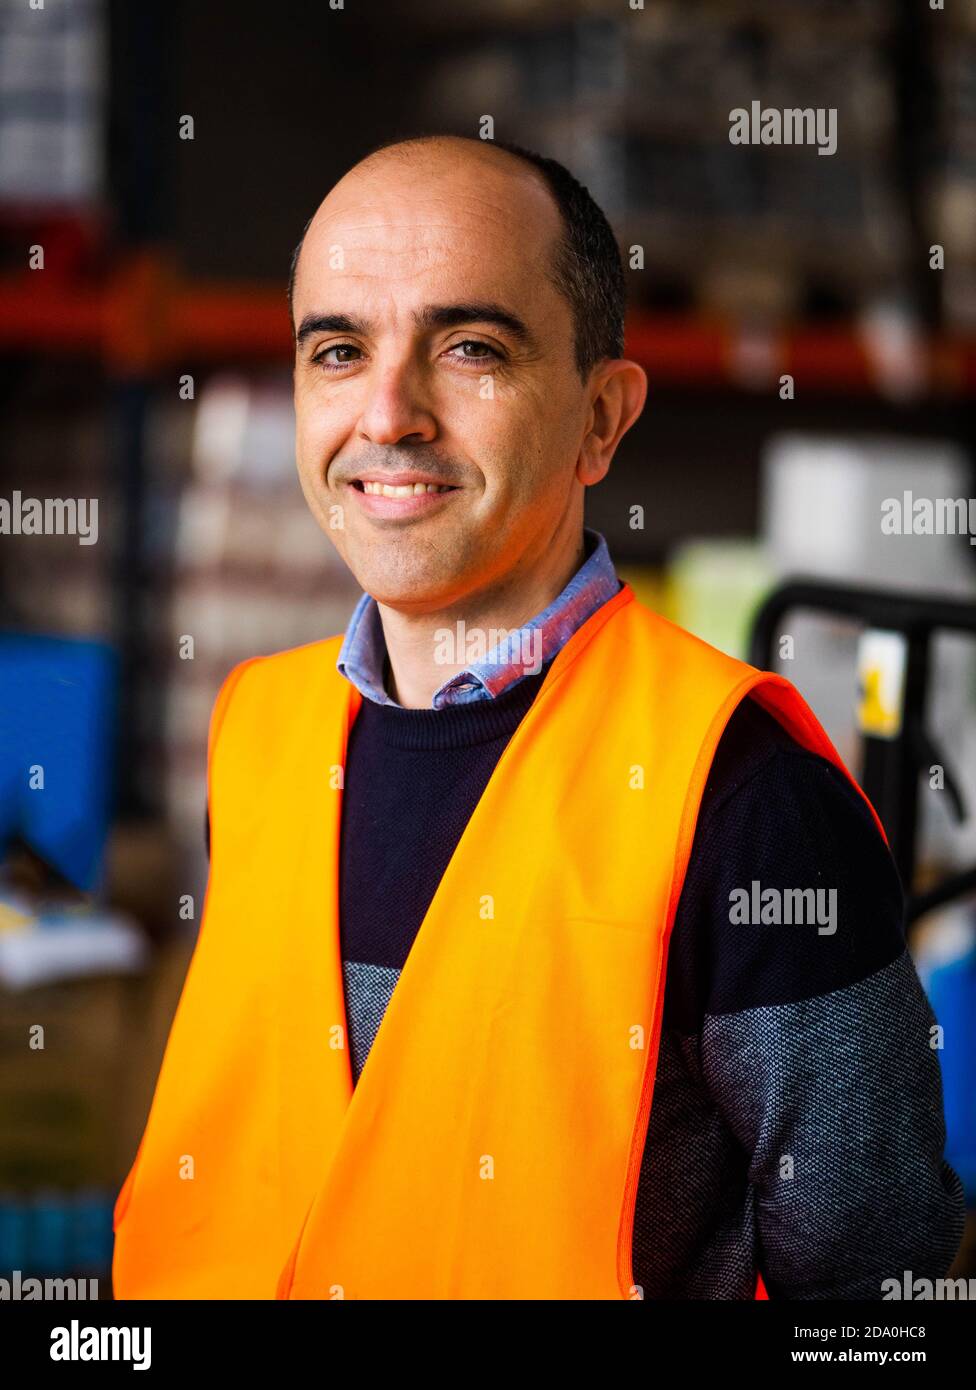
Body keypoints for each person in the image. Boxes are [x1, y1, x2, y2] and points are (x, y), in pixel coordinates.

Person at [112, 134, 965, 1300]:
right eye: (339, 350)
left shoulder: (743, 796)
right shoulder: (260, 729)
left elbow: (870, 1278)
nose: (388, 414)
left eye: (469, 348)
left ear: (601, 419)